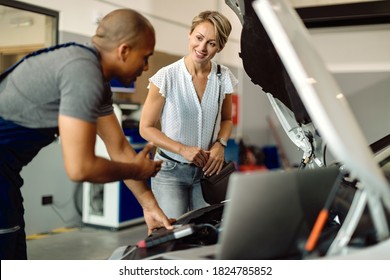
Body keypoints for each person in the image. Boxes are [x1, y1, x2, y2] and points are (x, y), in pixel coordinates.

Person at [0, 8, 174, 260]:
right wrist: (136, 170)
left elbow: (119, 148)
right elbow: (80, 167)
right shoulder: (82, 72)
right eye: (145, 57)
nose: (146, 67)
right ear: (124, 50)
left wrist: (150, 206)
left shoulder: (92, 74)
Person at [139, 11, 238, 219]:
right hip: (170, 171)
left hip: (208, 172)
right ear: (190, 34)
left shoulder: (223, 77)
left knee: (207, 234)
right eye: (199, 38)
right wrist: (182, 149)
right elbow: (145, 128)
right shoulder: (166, 77)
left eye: (211, 43)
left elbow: (227, 119)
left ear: (220, 46)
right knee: (171, 235)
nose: (202, 48)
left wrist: (220, 144)